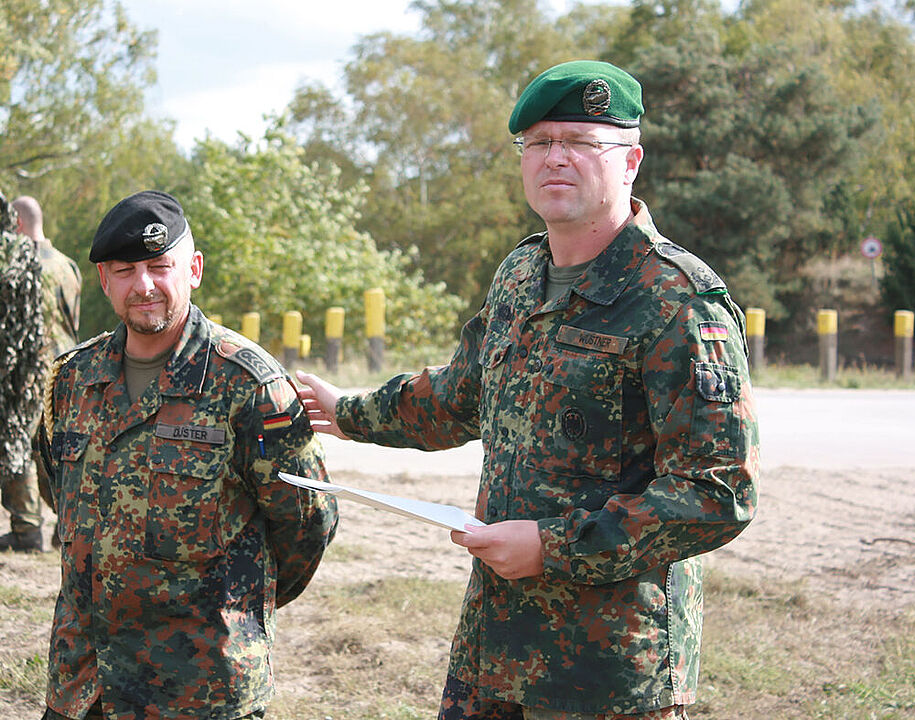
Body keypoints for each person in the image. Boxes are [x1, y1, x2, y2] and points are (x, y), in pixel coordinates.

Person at [297, 60, 759, 720]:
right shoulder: (521, 274)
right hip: (495, 650)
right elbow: (460, 395)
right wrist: (347, 412)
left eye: (580, 142)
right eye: (539, 143)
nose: (555, 159)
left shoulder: (677, 301)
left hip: (607, 670)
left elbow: (719, 493)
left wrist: (551, 545)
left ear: (630, 161)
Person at [36, 190, 339, 719]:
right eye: (125, 271)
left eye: (160, 266)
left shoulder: (248, 384)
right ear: (105, 280)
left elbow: (308, 522)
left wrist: (238, 611)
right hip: (84, 688)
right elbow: (56, 493)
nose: (144, 285)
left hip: (201, 691)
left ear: (193, 269)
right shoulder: (71, 380)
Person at [0, 195, 83, 553]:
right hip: (65, 365)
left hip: (29, 367)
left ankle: (26, 529)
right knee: (63, 447)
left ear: (16, 224)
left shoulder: (16, 264)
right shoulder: (68, 266)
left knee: (21, 445)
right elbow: (71, 322)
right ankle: (69, 525)